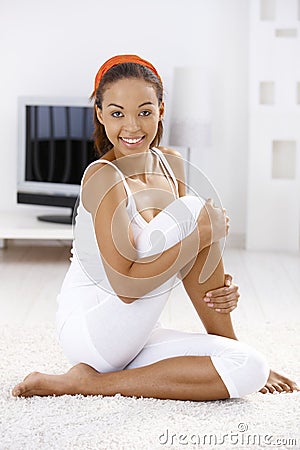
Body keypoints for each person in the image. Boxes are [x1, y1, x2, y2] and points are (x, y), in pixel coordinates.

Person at [12, 55, 299, 400]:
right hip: (92, 331)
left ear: (161, 110)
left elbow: (183, 259)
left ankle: (90, 383)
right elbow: (127, 288)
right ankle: (86, 379)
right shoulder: (102, 177)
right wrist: (203, 234)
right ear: (100, 115)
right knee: (195, 210)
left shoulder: (171, 163)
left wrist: (217, 291)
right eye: (117, 113)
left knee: (249, 367)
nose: (131, 127)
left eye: (144, 112)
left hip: (138, 334)